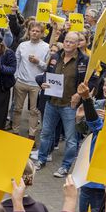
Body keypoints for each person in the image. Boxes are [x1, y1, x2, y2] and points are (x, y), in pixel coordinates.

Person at [34, 30, 88, 177]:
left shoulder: (84, 60)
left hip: (69, 106)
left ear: (77, 44)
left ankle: (65, 167)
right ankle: (41, 159)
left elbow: (88, 82)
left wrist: (79, 95)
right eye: (66, 41)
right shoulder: (55, 56)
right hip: (52, 102)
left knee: (71, 139)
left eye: (72, 42)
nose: (68, 44)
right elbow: (47, 75)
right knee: (46, 133)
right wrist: (44, 83)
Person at [11, 23, 49, 138]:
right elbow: (16, 61)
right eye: (32, 30)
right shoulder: (22, 45)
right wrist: (16, 76)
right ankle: (15, 132)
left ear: (42, 33)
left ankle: (32, 135)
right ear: (29, 31)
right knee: (17, 109)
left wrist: (38, 61)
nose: (34, 33)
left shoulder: (46, 47)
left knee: (34, 111)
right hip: (21, 82)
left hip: (36, 84)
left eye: (37, 31)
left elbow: (48, 67)